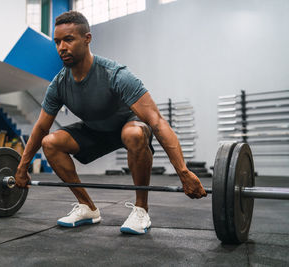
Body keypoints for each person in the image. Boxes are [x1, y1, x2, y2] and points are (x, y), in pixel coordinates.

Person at [15, 11, 207, 235]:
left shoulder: (116, 74)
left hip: (128, 126)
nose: (61, 47)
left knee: (134, 134)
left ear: (87, 38)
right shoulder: (58, 84)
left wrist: (183, 171)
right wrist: (22, 167)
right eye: (57, 42)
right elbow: (40, 127)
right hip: (94, 131)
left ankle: (141, 209)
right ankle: (87, 207)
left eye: (68, 39)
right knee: (50, 142)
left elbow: (156, 121)